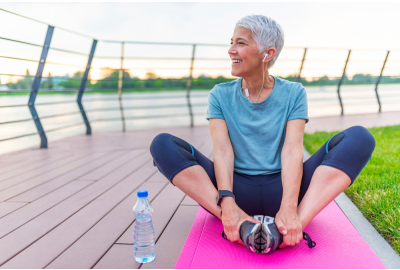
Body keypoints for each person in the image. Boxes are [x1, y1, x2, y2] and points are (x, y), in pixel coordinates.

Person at [150, 15, 375, 254]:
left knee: (360, 138)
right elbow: (223, 152)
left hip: (285, 189)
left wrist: (289, 205)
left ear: (267, 54)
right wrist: (227, 202)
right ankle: (237, 221)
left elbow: (291, 151)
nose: (230, 50)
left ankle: (292, 224)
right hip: (234, 192)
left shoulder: (294, 92)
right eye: (231, 42)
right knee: (162, 145)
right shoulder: (219, 94)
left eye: (240, 43)